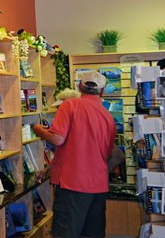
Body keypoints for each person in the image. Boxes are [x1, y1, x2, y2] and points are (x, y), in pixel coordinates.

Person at [33, 71, 116, 238]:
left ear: (80, 86)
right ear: (102, 91)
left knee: (66, 233)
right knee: (92, 234)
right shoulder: (108, 117)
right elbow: (105, 154)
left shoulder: (70, 106)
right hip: (98, 186)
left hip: (73, 184)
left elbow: (57, 139)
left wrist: (39, 131)